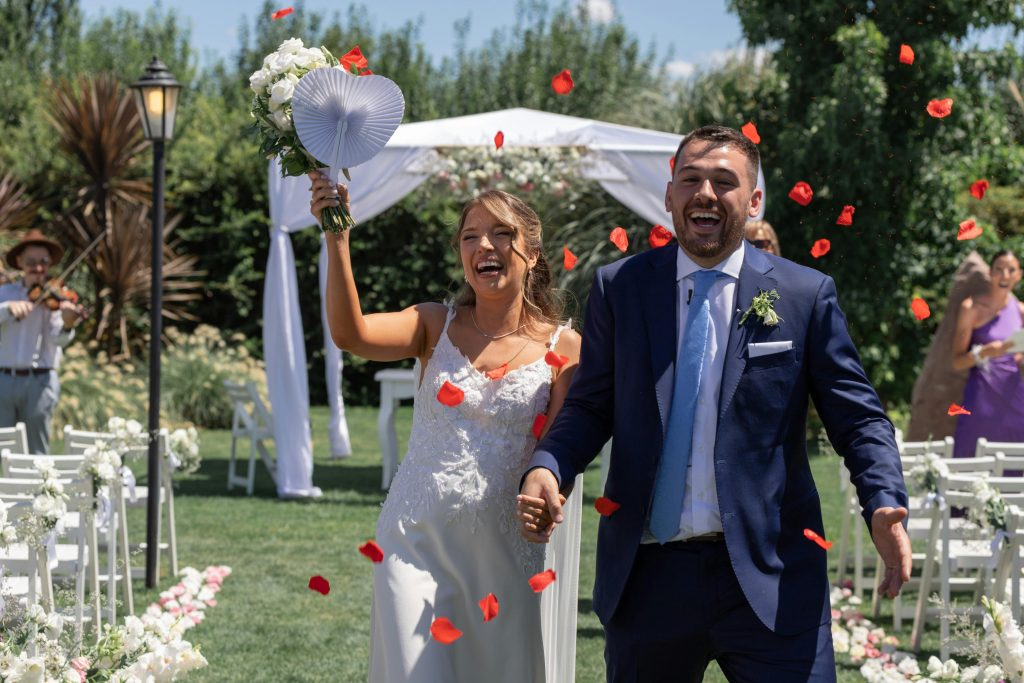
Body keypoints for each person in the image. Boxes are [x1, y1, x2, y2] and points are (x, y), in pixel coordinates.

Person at [517, 125, 911, 682]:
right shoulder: (620, 288)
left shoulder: (805, 295)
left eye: (724, 182)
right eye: (691, 180)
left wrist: (883, 500)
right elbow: (590, 406)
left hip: (773, 577)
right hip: (649, 578)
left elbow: (859, 417)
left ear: (753, 202)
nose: (705, 193)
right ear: (670, 195)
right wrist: (548, 464)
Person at [308, 175, 582, 682]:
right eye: (470, 235)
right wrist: (337, 237)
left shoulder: (565, 350)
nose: (484, 245)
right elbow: (351, 334)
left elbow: (562, 450)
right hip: (413, 542)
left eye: (501, 233)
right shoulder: (434, 324)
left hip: (502, 558)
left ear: (533, 252)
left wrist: (547, 499)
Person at [0, 229, 84, 454]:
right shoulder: (5, 293)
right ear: (19, 262)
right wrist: (7, 309)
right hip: (3, 380)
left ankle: (40, 489)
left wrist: (67, 323)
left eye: (43, 262)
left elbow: (59, 340)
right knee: (2, 448)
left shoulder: (56, 297)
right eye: (31, 262)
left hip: (40, 381)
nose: (38, 268)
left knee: (37, 451)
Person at [951, 249, 1024, 458]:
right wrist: (984, 353)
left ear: (1019, 275)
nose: (1005, 276)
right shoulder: (971, 307)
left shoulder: (1020, 310)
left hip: (1016, 400)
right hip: (981, 401)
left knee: (1014, 469)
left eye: (1011, 270)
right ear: (990, 273)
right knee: (970, 462)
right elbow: (956, 362)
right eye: (999, 269)